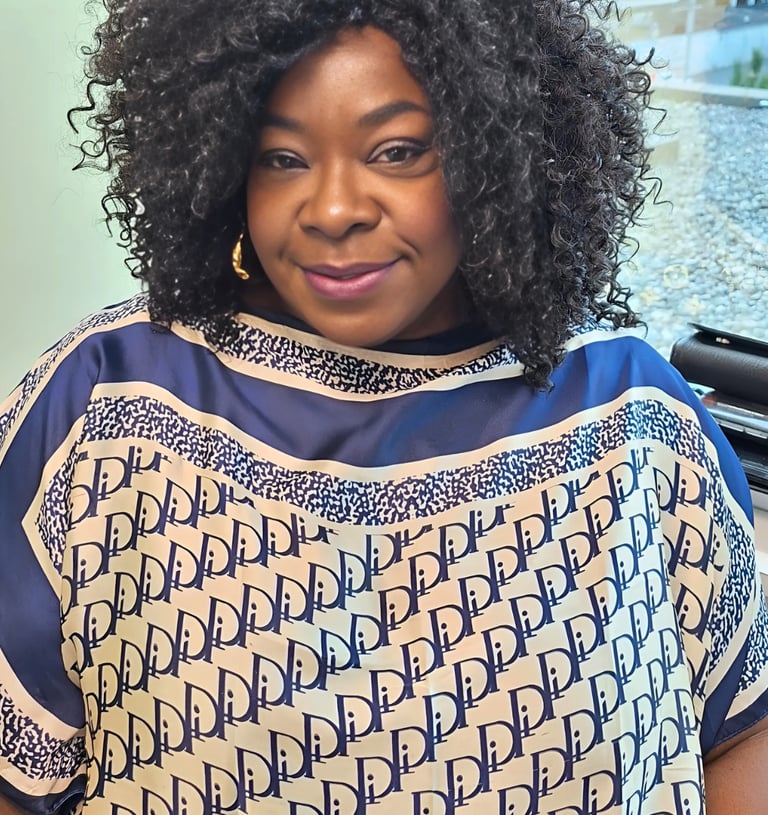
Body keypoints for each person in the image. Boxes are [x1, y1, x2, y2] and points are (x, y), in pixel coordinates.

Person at [1, 0, 766, 813]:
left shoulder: (634, 416)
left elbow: (739, 730)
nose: (334, 209)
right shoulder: (108, 402)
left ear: (497, 153)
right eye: (283, 158)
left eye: (397, 152)